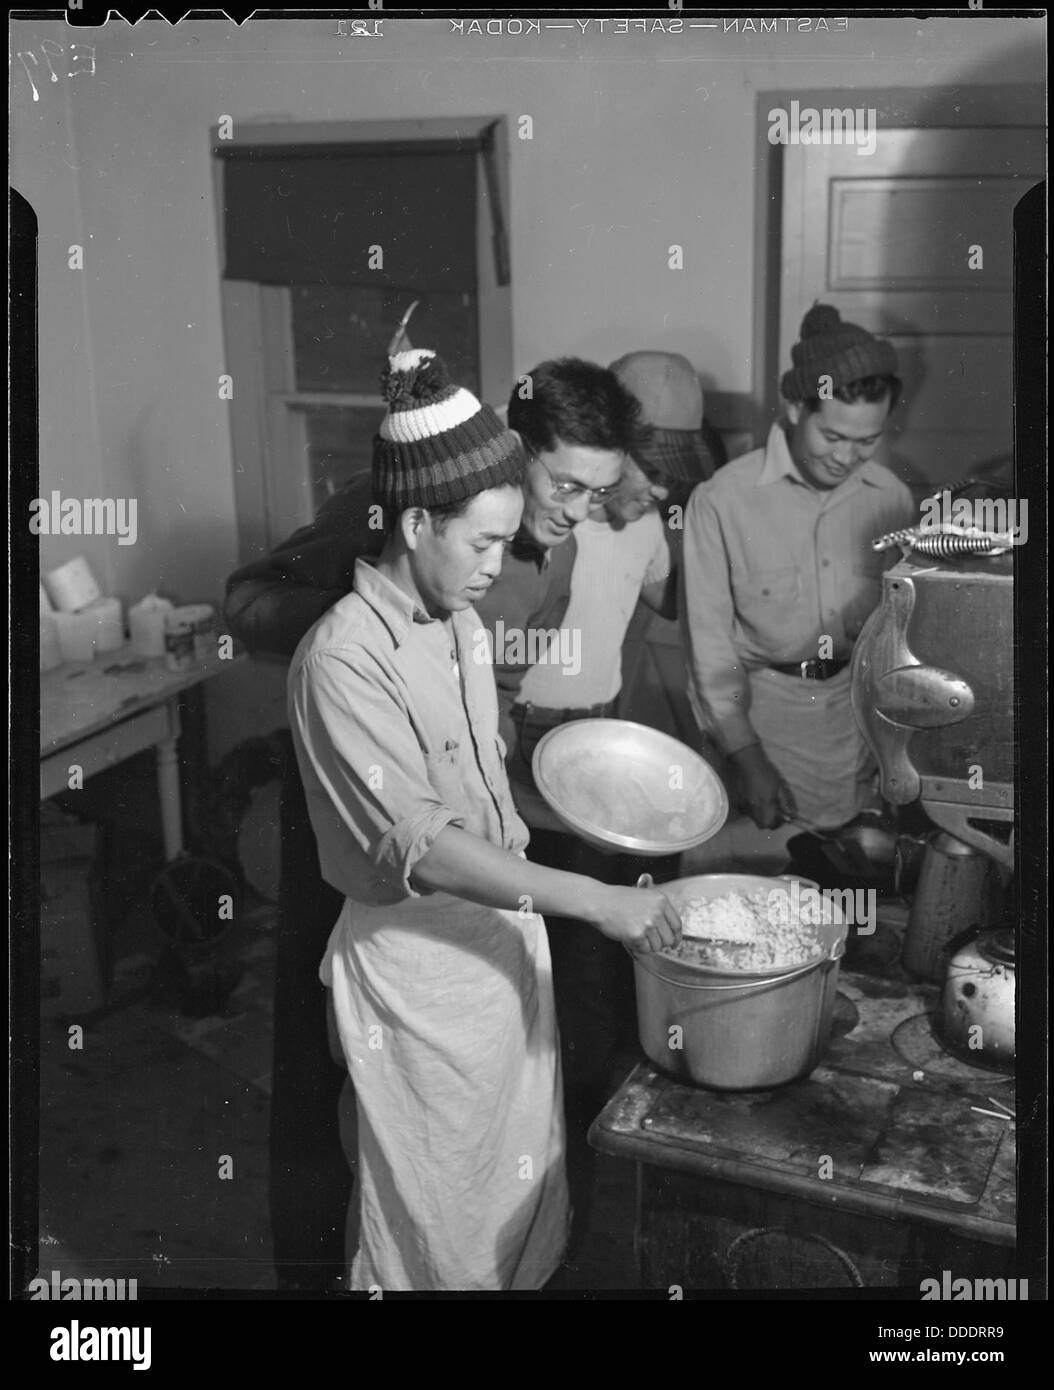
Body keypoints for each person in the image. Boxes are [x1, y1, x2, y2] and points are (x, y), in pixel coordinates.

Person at [223, 351, 649, 1288]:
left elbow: (484, 726)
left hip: (477, 898)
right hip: (384, 885)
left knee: (498, 1180)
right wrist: (368, 645)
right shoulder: (357, 621)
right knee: (397, 1179)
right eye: (565, 487)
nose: (506, 565)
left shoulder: (471, 598)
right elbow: (411, 838)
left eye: (596, 492)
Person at [681, 303, 917, 854]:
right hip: (757, 720)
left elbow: (895, 634)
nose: (847, 457)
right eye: (833, 436)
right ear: (793, 407)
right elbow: (710, 654)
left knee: (843, 873)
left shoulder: (894, 498)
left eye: (867, 440)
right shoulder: (722, 501)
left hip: (854, 723)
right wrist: (749, 759)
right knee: (752, 878)